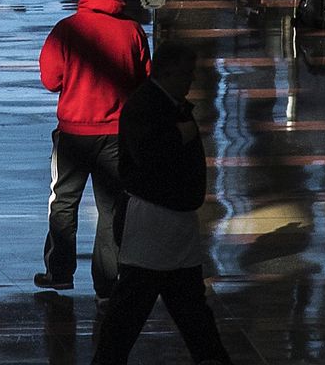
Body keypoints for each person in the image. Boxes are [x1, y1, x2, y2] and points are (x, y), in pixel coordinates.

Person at [92, 43, 232, 365]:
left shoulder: (167, 105)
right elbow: (149, 158)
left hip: (173, 224)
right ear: (167, 72)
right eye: (186, 73)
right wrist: (179, 136)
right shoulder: (147, 106)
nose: (190, 80)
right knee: (134, 307)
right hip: (153, 224)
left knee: (186, 310)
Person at [36, 0, 151, 300]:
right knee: (112, 208)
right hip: (116, 135)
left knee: (64, 203)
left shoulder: (66, 29)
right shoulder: (132, 30)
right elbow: (143, 80)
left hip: (73, 134)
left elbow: (50, 79)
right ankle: (106, 283)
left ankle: (59, 273)